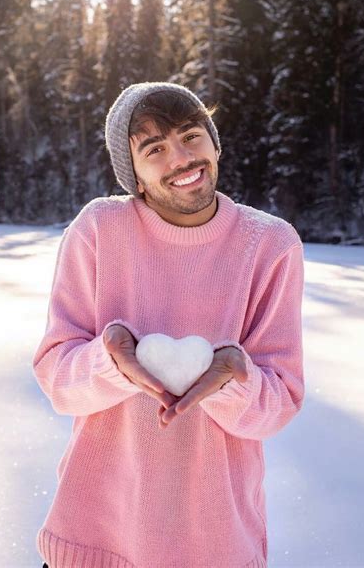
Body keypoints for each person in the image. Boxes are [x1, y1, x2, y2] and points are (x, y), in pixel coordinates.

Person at [33, 81, 305, 568]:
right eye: (154, 148)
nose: (181, 158)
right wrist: (109, 360)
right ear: (132, 174)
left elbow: (279, 404)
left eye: (191, 135)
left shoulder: (270, 245)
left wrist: (235, 378)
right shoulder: (99, 229)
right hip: (95, 537)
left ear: (214, 143)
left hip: (216, 546)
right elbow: (58, 378)